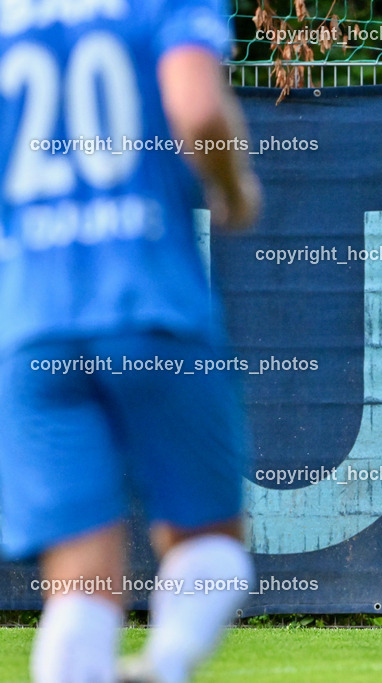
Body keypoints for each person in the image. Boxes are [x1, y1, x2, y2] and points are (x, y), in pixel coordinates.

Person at [0, 1, 262, 681]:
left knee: (80, 585)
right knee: (211, 542)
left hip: (31, 323)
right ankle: (167, 663)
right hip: (150, 306)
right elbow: (197, 108)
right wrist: (234, 188)